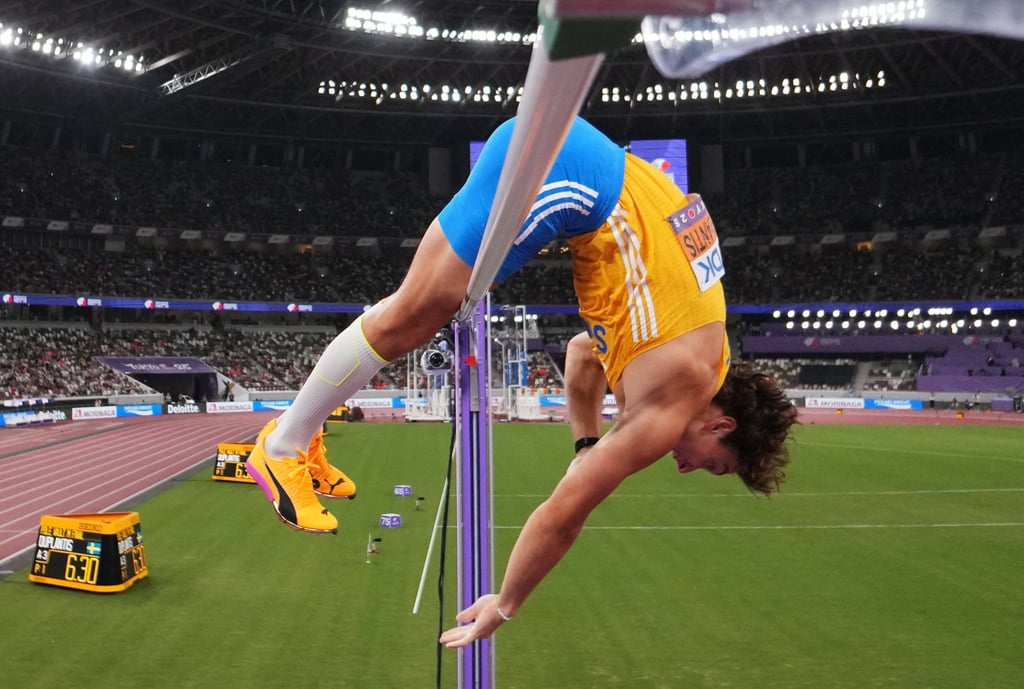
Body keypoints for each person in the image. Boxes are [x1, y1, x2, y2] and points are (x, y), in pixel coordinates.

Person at [243, 116, 798, 644]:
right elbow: (563, 516)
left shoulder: (707, 354)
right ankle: (283, 444)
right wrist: (505, 605)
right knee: (416, 312)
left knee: (415, 307)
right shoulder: (672, 402)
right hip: (578, 179)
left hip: (596, 171)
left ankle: (301, 431)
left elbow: (583, 356)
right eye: (713, 462)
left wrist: (586, 445)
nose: (687, 466)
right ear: (720, 422)